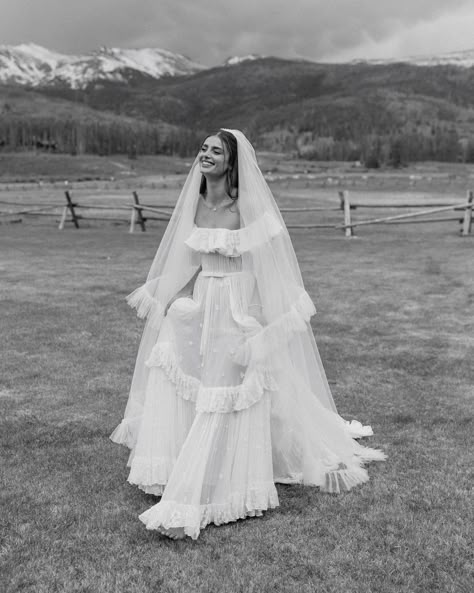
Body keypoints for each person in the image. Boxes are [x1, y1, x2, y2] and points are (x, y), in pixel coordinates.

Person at [110, 129, 386, 540]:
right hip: (204, 305)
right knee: (173, 357)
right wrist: (164, 298)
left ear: (231, 162)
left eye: (215, 150)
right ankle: (171, 465)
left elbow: (269, 273)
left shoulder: (248, 209)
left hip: (237, 311)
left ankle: (216, 486)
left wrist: (262, 329)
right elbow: (188, 263)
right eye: (203, 148)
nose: (205, 155)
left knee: (226, 395)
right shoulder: (196, 205)